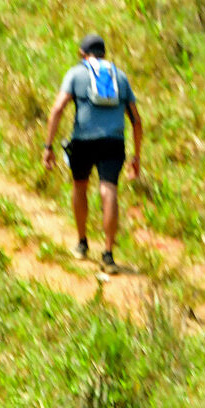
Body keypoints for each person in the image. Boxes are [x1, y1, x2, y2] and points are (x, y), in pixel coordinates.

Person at [42, 34, 144, 273]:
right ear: (103, 54)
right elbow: (137, 121)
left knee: (80, 186)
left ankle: (82, 243)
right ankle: (108, 254)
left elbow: (57, 109)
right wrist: (137, 156)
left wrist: (48, 146)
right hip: (114, 142)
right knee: (108, 190)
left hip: (83, 141)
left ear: (82, 54)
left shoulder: (76, 73)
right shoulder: (119, 76)